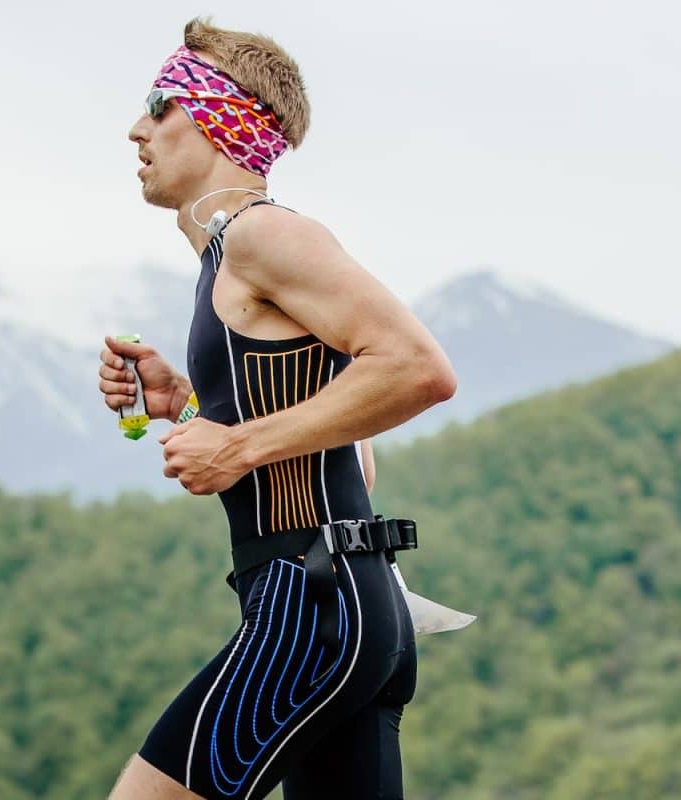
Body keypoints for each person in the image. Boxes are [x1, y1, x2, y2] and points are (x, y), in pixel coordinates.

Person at [97, 17, 456, 800]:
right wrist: (187, 405)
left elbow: (420, 370)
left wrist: (237, 448)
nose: (135, 129)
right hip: (348, 608)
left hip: (312, 611)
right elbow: (349, 441)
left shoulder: (264, 235)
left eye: (159, 103)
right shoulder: (232, 259)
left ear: (218, 113)